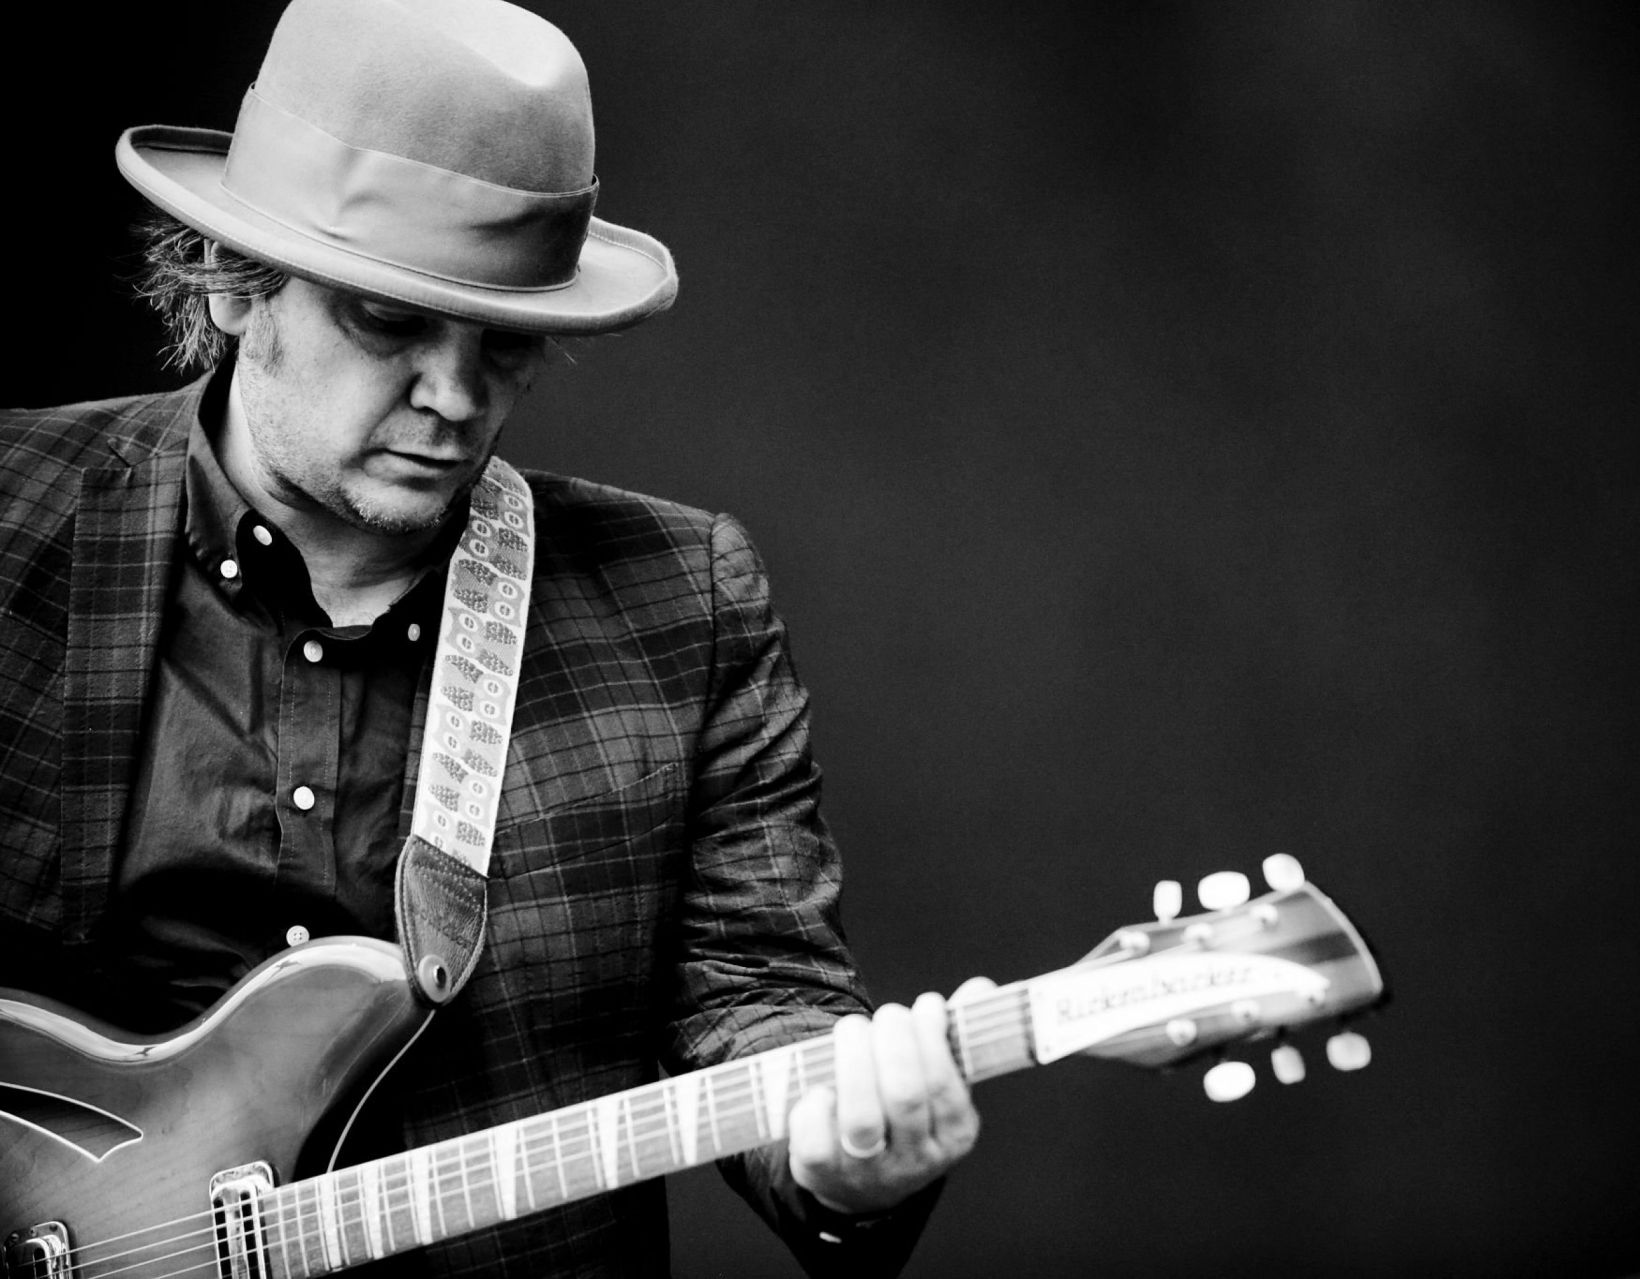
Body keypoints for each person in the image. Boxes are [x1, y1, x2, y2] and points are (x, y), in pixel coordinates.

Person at [0, 0, 981, 1273]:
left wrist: (841, 1154)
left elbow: (758, 995)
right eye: (390, 322)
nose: (456, 399)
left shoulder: (683, 600)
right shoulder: (17, 513)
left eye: (503, 341)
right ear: (233, 284)